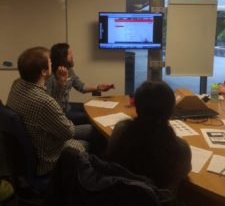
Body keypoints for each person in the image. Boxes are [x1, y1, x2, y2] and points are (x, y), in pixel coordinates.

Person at [6, 47, 88, 176]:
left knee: (90, 129)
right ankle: (84, 181)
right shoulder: (42, 101)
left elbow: (52, 110)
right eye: (50, 61)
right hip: (47, 159)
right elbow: (68, 132)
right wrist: (65, 121)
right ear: (44, 71)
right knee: (88, 141)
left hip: (38, 141)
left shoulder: (17, 84)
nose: (52, 63)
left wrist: (60, 85)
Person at [105, 80, 192, 194]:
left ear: (136, 106)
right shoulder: (180, 147)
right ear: (171, 110)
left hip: (117, 196)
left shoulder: (121, 130)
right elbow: (183, 174)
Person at [46, 43, 115, 124]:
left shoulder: (69, 70)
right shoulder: (50, 76)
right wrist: (60, 84)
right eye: (70, 54)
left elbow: (81, 87)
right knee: (88, 117)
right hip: (58, 114)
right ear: (63, 57)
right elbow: (48, 105)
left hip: (67, 107)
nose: (72, 56)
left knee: (88, 108)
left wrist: (99, 87)